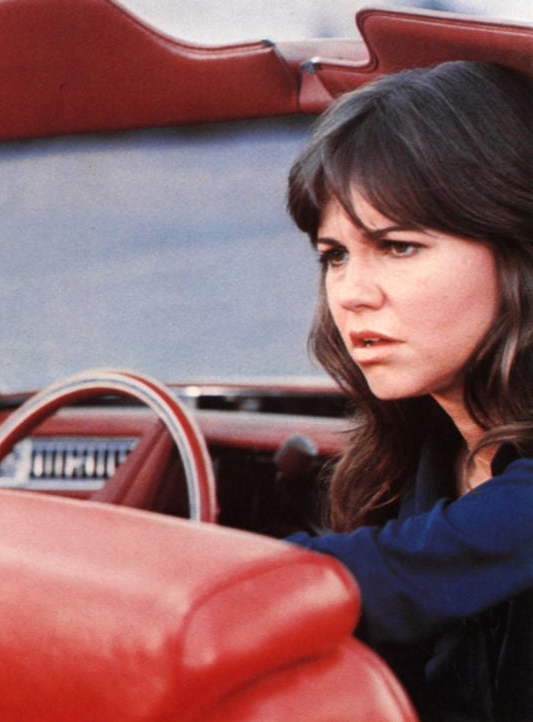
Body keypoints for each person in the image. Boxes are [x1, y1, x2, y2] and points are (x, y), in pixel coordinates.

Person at [284, 60, 533, 721]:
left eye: (397, 247)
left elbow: (389, 578)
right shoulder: (413, 459)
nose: (351, 294)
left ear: (518, 250)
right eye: (335, 255)